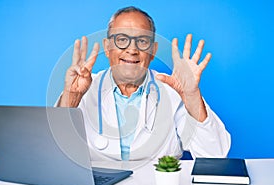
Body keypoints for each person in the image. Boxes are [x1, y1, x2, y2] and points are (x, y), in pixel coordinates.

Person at [56, 6, 231, 161]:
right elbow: (57, 154)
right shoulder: (83, 86)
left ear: (153, 51)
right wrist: (72, 97)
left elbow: (215, 155)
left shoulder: (174, 90)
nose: (132, 50)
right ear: (108, 47)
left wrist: (192, 96)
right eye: (122, 40)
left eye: (142, 41)